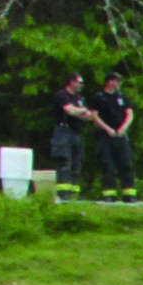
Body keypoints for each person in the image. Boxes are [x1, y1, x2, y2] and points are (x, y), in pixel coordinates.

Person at [89, 73, 137, 202]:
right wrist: (107, 129)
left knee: (126, 163)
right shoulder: (99, 97)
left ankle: (129, 193)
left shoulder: (122, 97)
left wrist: (123, 128)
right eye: (116, 81)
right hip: (106, 135)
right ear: (109, 82)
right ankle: (109, 194)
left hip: (121, 135)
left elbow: (130, 114)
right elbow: (94, 115)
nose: (118, 84)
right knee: (107, 164)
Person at [48, 73, 92, 202]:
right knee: (64, 160)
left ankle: (74, 192)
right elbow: (69, 111)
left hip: (77, 131)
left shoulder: (79, 98)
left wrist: (80, 111)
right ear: (71, 82)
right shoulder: (61, 95)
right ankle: (63, 192)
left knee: (77, 162)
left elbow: (89, 116)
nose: (81, 85)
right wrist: (81, 110)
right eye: (79, 82)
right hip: (63, 131)